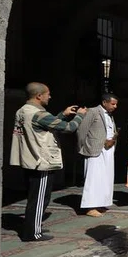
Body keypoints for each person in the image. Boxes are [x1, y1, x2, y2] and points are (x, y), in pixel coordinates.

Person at [9, 83, 87, 241]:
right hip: (41, 161)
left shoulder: (23, 111)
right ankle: (33, 233)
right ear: (39, 96)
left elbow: (44, 126)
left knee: (34, 197)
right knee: (39, 199)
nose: (50, 97)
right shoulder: (38, 113)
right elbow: (68, 128)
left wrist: (63, 114)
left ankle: (32, 229)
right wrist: (80, 115)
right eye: (48, 94)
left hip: (29, 159)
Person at [76, 93, 119, 217]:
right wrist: (83, 147)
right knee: (93, 179)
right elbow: (82, 130)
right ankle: (90, 206)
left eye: (116, 104)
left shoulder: (110, 115)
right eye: (113, 104)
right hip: (94, 149)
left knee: (105, 178)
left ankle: (100, 203)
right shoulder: (93, 112)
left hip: (108, 149)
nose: (115, 106)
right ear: (104, 102)